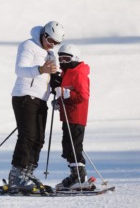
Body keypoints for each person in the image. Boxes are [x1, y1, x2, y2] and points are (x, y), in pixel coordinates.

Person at [9, 21, 65, 191]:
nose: (52, 45)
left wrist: (56, 83)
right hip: (24, 95)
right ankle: (17, 176)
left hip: (41, 98)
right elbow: (20, 70)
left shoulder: (50, 53)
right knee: (27, 136)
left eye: (56, 43)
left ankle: (28, 172)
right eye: (51, 41)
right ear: (44, 35)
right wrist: (41, 70)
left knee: (39, 138)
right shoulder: (28, 45)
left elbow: (52, 74)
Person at [52, 44, 91, 190]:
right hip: (67, 116)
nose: (62, 61)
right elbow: (65, 93)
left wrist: (63, 93)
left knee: (74, 147)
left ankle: (79, 177)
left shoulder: (78, 73)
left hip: (76, 116)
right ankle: (75, 175)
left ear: (74, 59)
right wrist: (59, 101)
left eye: (66, 58)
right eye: (60, 58)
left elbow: (83, 96)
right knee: (68, 147)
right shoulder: (66, 72)